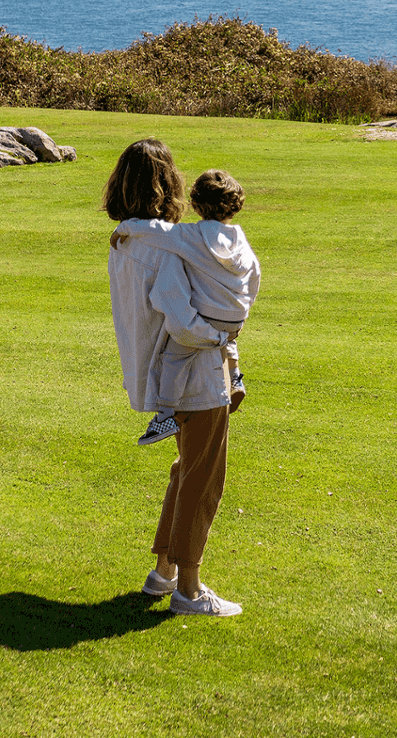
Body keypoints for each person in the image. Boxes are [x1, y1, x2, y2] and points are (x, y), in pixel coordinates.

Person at [103, 139, 245, 618]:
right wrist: (222, 340)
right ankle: (189, 587)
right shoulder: (169, 248)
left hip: (163, 374)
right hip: (193, 373)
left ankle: (164, 571)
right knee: (202, 479)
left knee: (186, 471)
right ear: (167, 183)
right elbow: (184, 318)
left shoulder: (128, 239)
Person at [115, 168, 259, 447]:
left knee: (175, 356)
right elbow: (254, 275)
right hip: (235, 316)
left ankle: (165, 414)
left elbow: (154, 230)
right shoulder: (240, 241)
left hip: (208, 315)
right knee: (227, 342)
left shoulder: (189, 236)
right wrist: (242, 309)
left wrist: (124, 228)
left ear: (195, 203)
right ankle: (235, 378)